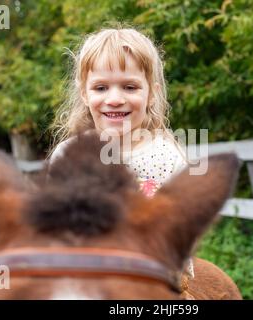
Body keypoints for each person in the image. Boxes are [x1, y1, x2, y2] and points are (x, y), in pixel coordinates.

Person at [49, 27, 193, 278]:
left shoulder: (166, 157)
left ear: (151, 94)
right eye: (101, 88)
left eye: (129, 87)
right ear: (84, 93)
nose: (114, 99)